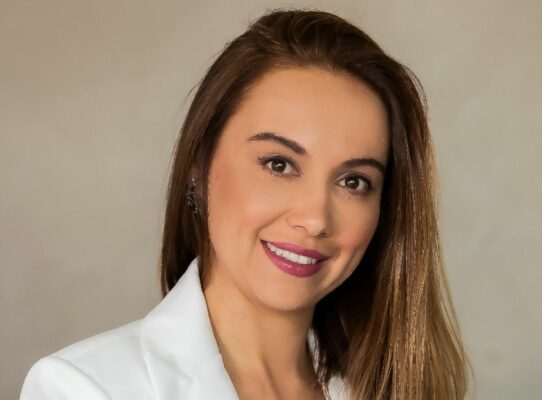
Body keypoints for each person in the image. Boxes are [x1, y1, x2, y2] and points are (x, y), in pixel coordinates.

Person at [20, 8, 470, 400]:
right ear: (199, 167)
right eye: (279, 164)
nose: (315, 218)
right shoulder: (84, 389)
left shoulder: (400, 388)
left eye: (354, 182)